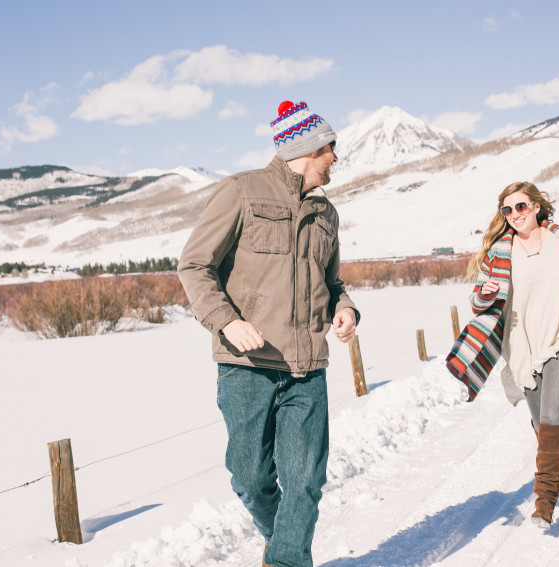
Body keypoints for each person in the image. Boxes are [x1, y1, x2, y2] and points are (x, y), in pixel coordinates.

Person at [178, 100, 359, 567]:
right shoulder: (241, 191)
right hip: (247, 366)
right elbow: (195, 265)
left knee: (304, 481)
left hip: (307, 367)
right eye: (331, 148)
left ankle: (283, 560)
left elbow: (333, 283)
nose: (336, 158)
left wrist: (346, 309)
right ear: (309, 146)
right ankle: (284, 542)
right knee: (250, 478)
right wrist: (227, 321)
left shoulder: (326, 215)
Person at [446, 181, 559, 529]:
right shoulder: (500, 251)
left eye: (522, 206)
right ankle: (553, 461)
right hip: (523, 347)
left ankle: (544, 502)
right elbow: (478, 303)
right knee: (543, 425)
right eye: (507, 210)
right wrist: (484, 293)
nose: (515, 215)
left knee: (553, 418)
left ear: (537, 207)